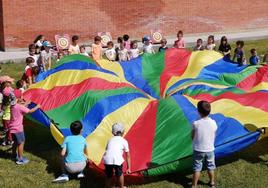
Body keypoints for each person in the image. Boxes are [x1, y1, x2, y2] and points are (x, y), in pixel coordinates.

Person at [9, 90, 40, 164]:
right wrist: (37, 107)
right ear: (18, 98)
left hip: (12, 128)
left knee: (16, 142)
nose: (22, 97)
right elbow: (29, 111)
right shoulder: (19, 106)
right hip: (18, 129)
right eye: (21, 96)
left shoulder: (13, 105)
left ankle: (13, 154)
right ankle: (20, 159)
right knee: (21, 142)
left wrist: (26, 103)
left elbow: (20, 107)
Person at [192, 101, 217, 188]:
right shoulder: (213, 123)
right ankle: (212, 183)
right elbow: (214, 134)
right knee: (211, 167)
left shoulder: (196, 123)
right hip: (210, 149)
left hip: (198, 149)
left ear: (198, 111)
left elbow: (192, 135)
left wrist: (194, 141)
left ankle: (194, 185)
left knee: (197, 168)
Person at [103, 123, 131, 188]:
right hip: (117, 160)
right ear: (123, 132)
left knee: (108, 175)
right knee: (119, 174)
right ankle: (121, 186)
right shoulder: (124, 141)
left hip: (107, 159)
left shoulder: (109, 140)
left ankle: (107, 186)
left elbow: (107, 150)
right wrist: (128, 168)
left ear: (113, 132)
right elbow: (128, 155)